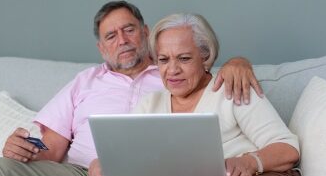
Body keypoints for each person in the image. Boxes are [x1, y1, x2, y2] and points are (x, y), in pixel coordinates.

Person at [0, 1, 263, 176]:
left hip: (144, 172)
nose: (122, 40)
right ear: (101, 49)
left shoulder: (173, 73)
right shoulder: (84, 81)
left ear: (146, 33)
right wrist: (22, 148)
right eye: (111, 36)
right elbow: (50, 149)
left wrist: (240, 61)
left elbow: (208, 73)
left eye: (129, 29)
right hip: (80, 171)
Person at [127, 13, 300, 176]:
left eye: (184, 58)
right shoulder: (148, 104)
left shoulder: (232, 88)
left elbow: (288, 149)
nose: (172, 70)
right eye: (163, 60)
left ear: (205, 56)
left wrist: (248, 162)